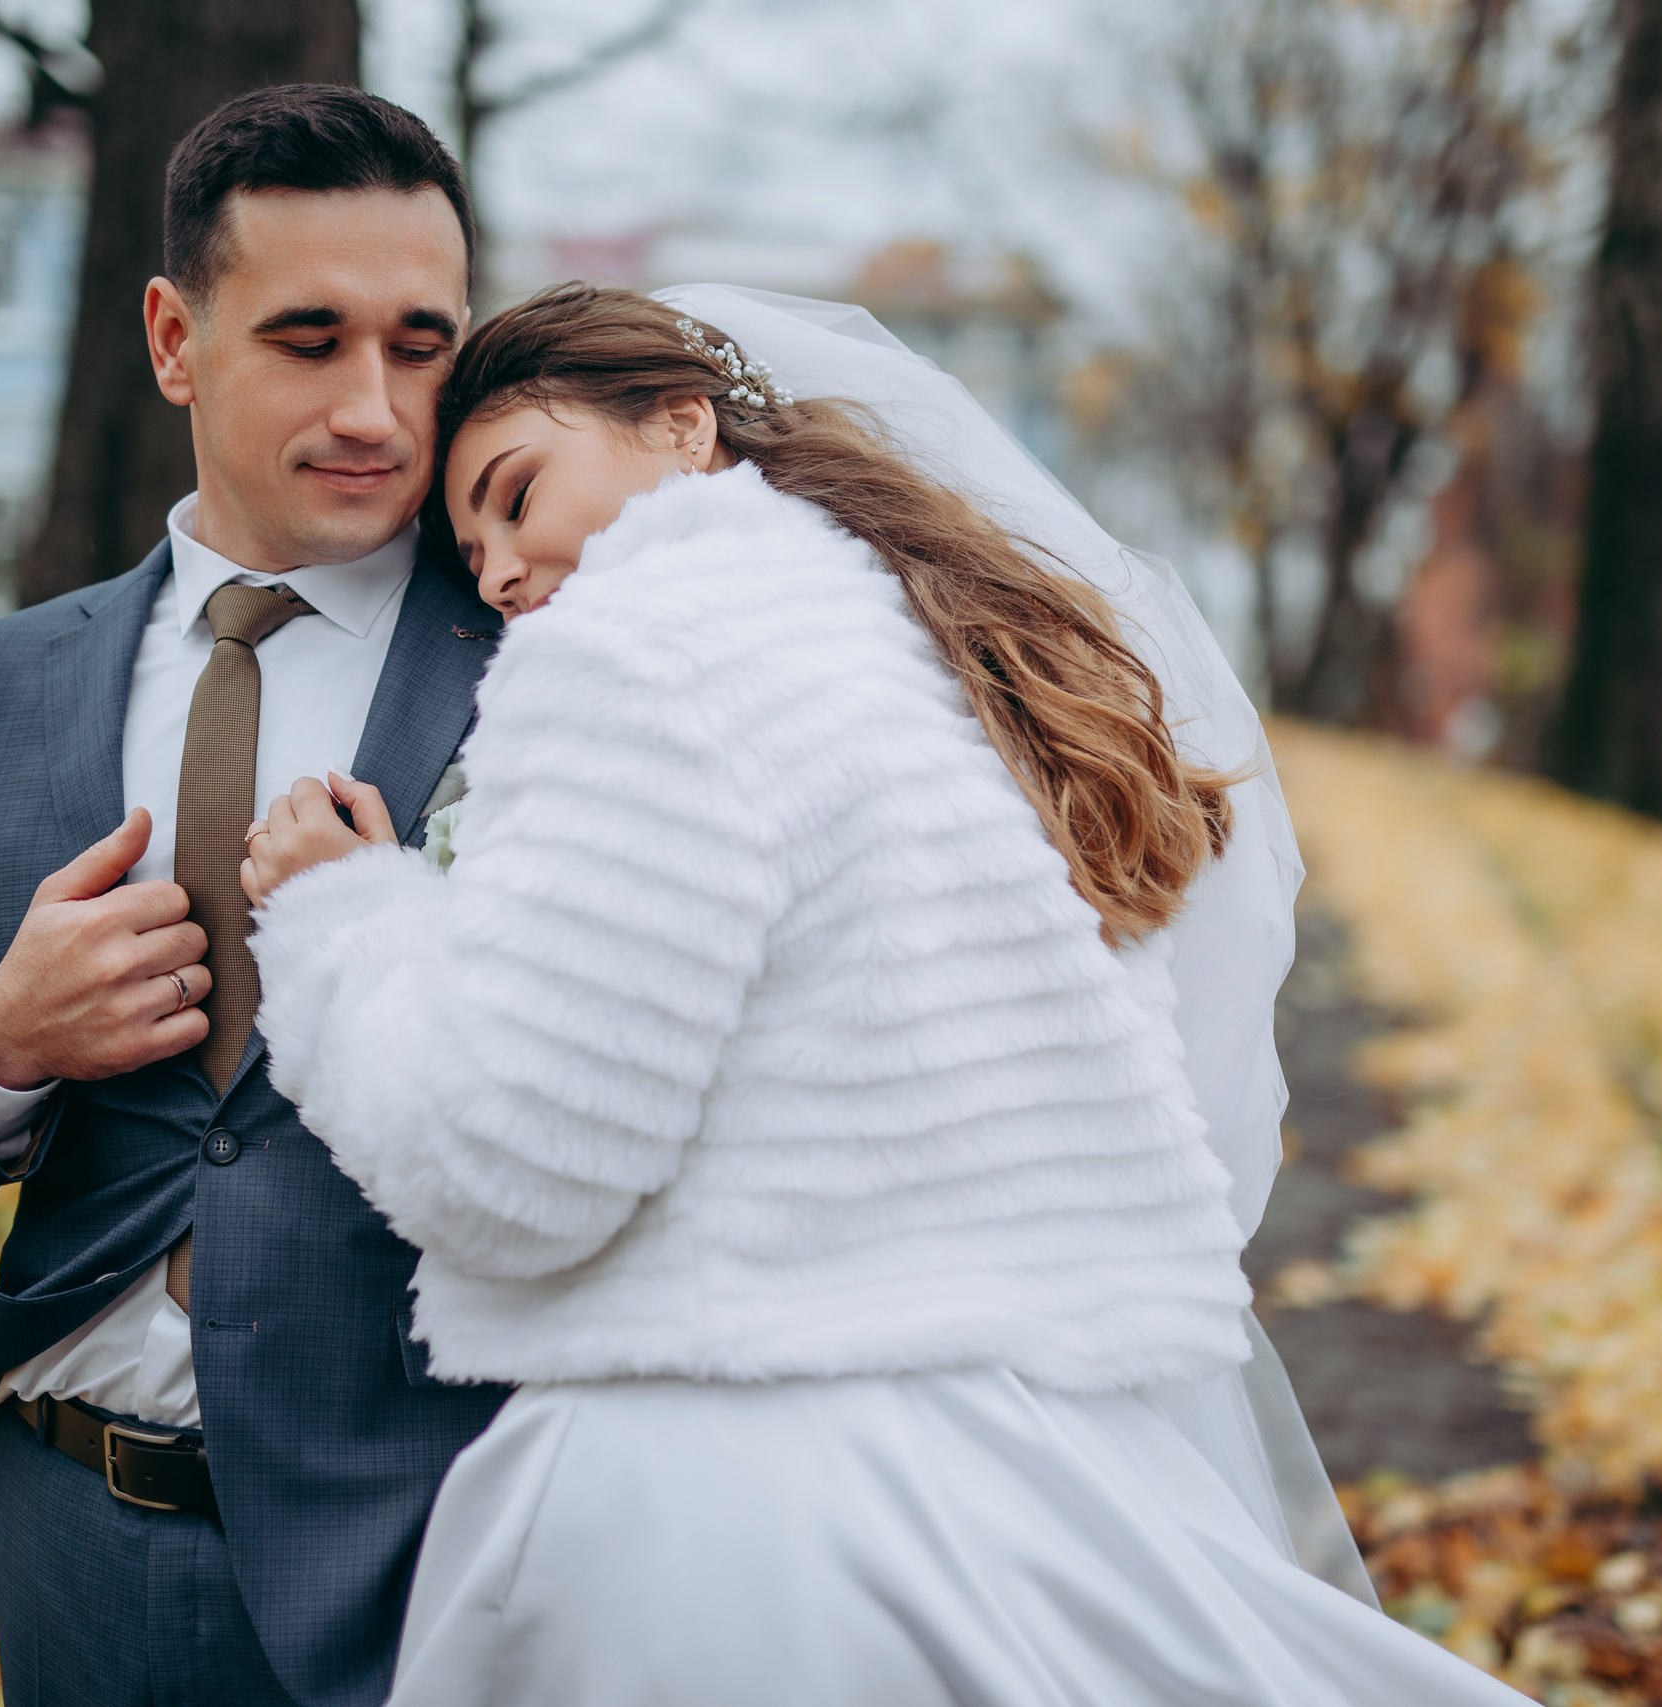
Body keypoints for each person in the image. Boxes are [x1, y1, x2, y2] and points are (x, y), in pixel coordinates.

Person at [240, 284, 1539, 1705]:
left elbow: (506, 1166)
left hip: (733, 1505)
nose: (492, 572)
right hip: (1022, 1465)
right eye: (469, 546)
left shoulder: (634, 650)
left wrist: (339, 920)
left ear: (681, 427)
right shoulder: (939, 659)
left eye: (513, 493)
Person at [0, 86, 506, 1707]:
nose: (378, 410)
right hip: (71, 1539)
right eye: (310, 340)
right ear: (175, 340)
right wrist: (0, 1038)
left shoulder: (550, 655)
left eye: (421, 343)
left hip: (444, 1554)